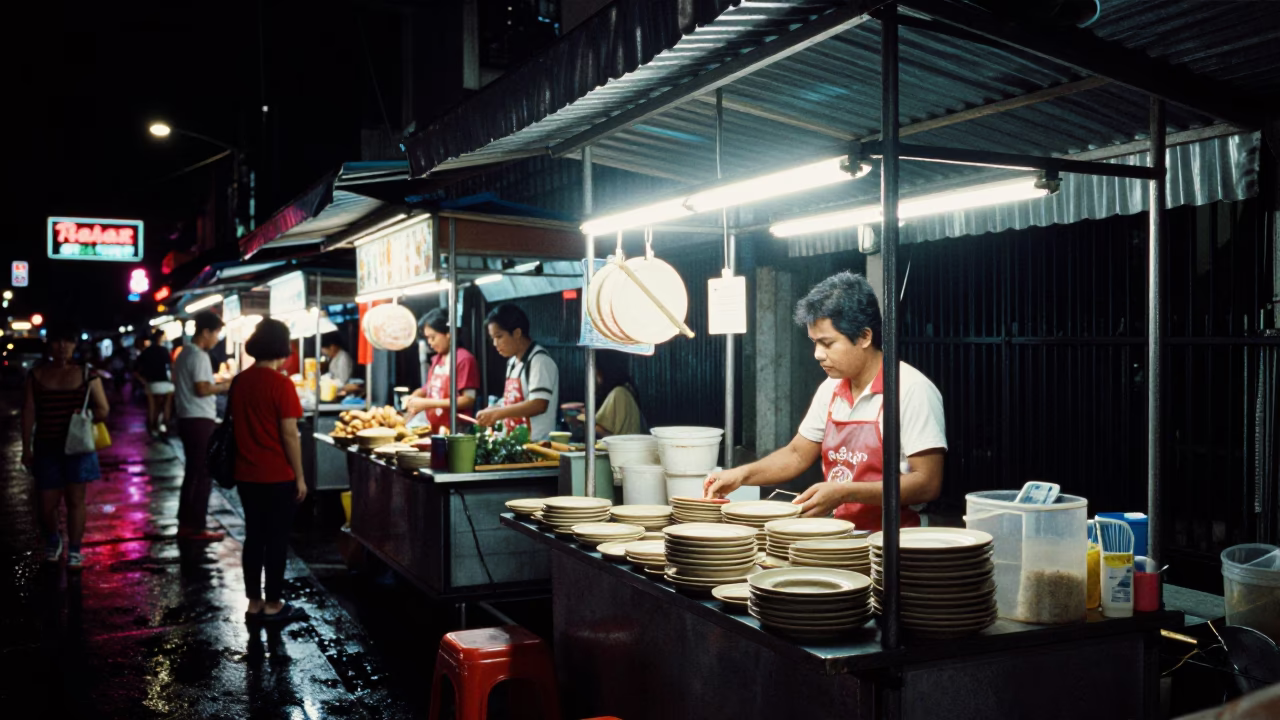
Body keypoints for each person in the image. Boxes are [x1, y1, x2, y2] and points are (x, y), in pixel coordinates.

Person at [705, 271, 947, 531]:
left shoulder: (911, 389)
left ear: (865, 336)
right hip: (840, 534)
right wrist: (741, 475)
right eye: (814, 342)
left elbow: (927, 483)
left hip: (895, 541)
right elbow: (797, 454)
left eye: (828, 343)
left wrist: (844, 492)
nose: (818, 354)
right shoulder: (830, 389)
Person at [230, 318, 308, 624]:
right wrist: (300, 476)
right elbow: (290, 434)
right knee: (276, 539)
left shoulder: (239, 381)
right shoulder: (281, 384)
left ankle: (253, 603)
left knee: (254, 537)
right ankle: (274, 604)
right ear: (282, 346)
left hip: (246, 475)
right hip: (277, 476)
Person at [21, 322, 110, 569]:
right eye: (57, 342)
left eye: (67, 342)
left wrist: (85, 415)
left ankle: (74, 550)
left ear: (74, 344)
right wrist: (26, 447)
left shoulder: (86, 373)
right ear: (49, 345)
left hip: (77, 447)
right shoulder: (36, 375)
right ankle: (53, 539)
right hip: (46, 447)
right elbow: (29, 412)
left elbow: (103, 409)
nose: (62, 347)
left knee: (75, 501)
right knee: (45, 504)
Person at [173, 311, 230, 542]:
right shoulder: (198, 356)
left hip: (188, 417)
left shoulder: (184, 352)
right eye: (216, 333)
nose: (217, 339)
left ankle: (187, 522)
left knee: (193, 472)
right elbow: (203, 388)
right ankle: (195, 526)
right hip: (199, 419)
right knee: (202, 473)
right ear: (206, 332)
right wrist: (227, 385)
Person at [475, 303, 559, 442]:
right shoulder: (512, 363)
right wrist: (493, 409)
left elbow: (538, 404)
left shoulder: (540, 361)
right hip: (514, 445)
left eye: (499, 336)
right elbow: (512, 401)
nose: (495, 344)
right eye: (492, 338)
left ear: (517, 333)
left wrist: (498, 413)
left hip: (537, 446)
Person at [405, 308, 481, 433]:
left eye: (432, 337)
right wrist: (418, 394)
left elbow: (468, 400)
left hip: (457, 431)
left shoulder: (464, 359)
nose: (429, 342)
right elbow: (432, 386)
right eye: (427, 338)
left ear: (448, 334)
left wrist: (427, 403)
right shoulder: (437, 359)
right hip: (435, 428)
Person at [589, 350, 646, 437]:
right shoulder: (627, 389)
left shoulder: (618, 393)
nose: (596, 378)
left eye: (596, 371)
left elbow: (602, 431)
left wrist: (583, 421)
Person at [134, 329, 174, 438]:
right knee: (166, 406)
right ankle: (166, 425)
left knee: (152, 407)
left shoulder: (146, 352)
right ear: (160, 338)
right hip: (165, 384)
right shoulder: (165, 351)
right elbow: (171, 367)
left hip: (151, 384)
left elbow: (136, 371)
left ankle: (152, 428)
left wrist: (144, 382)